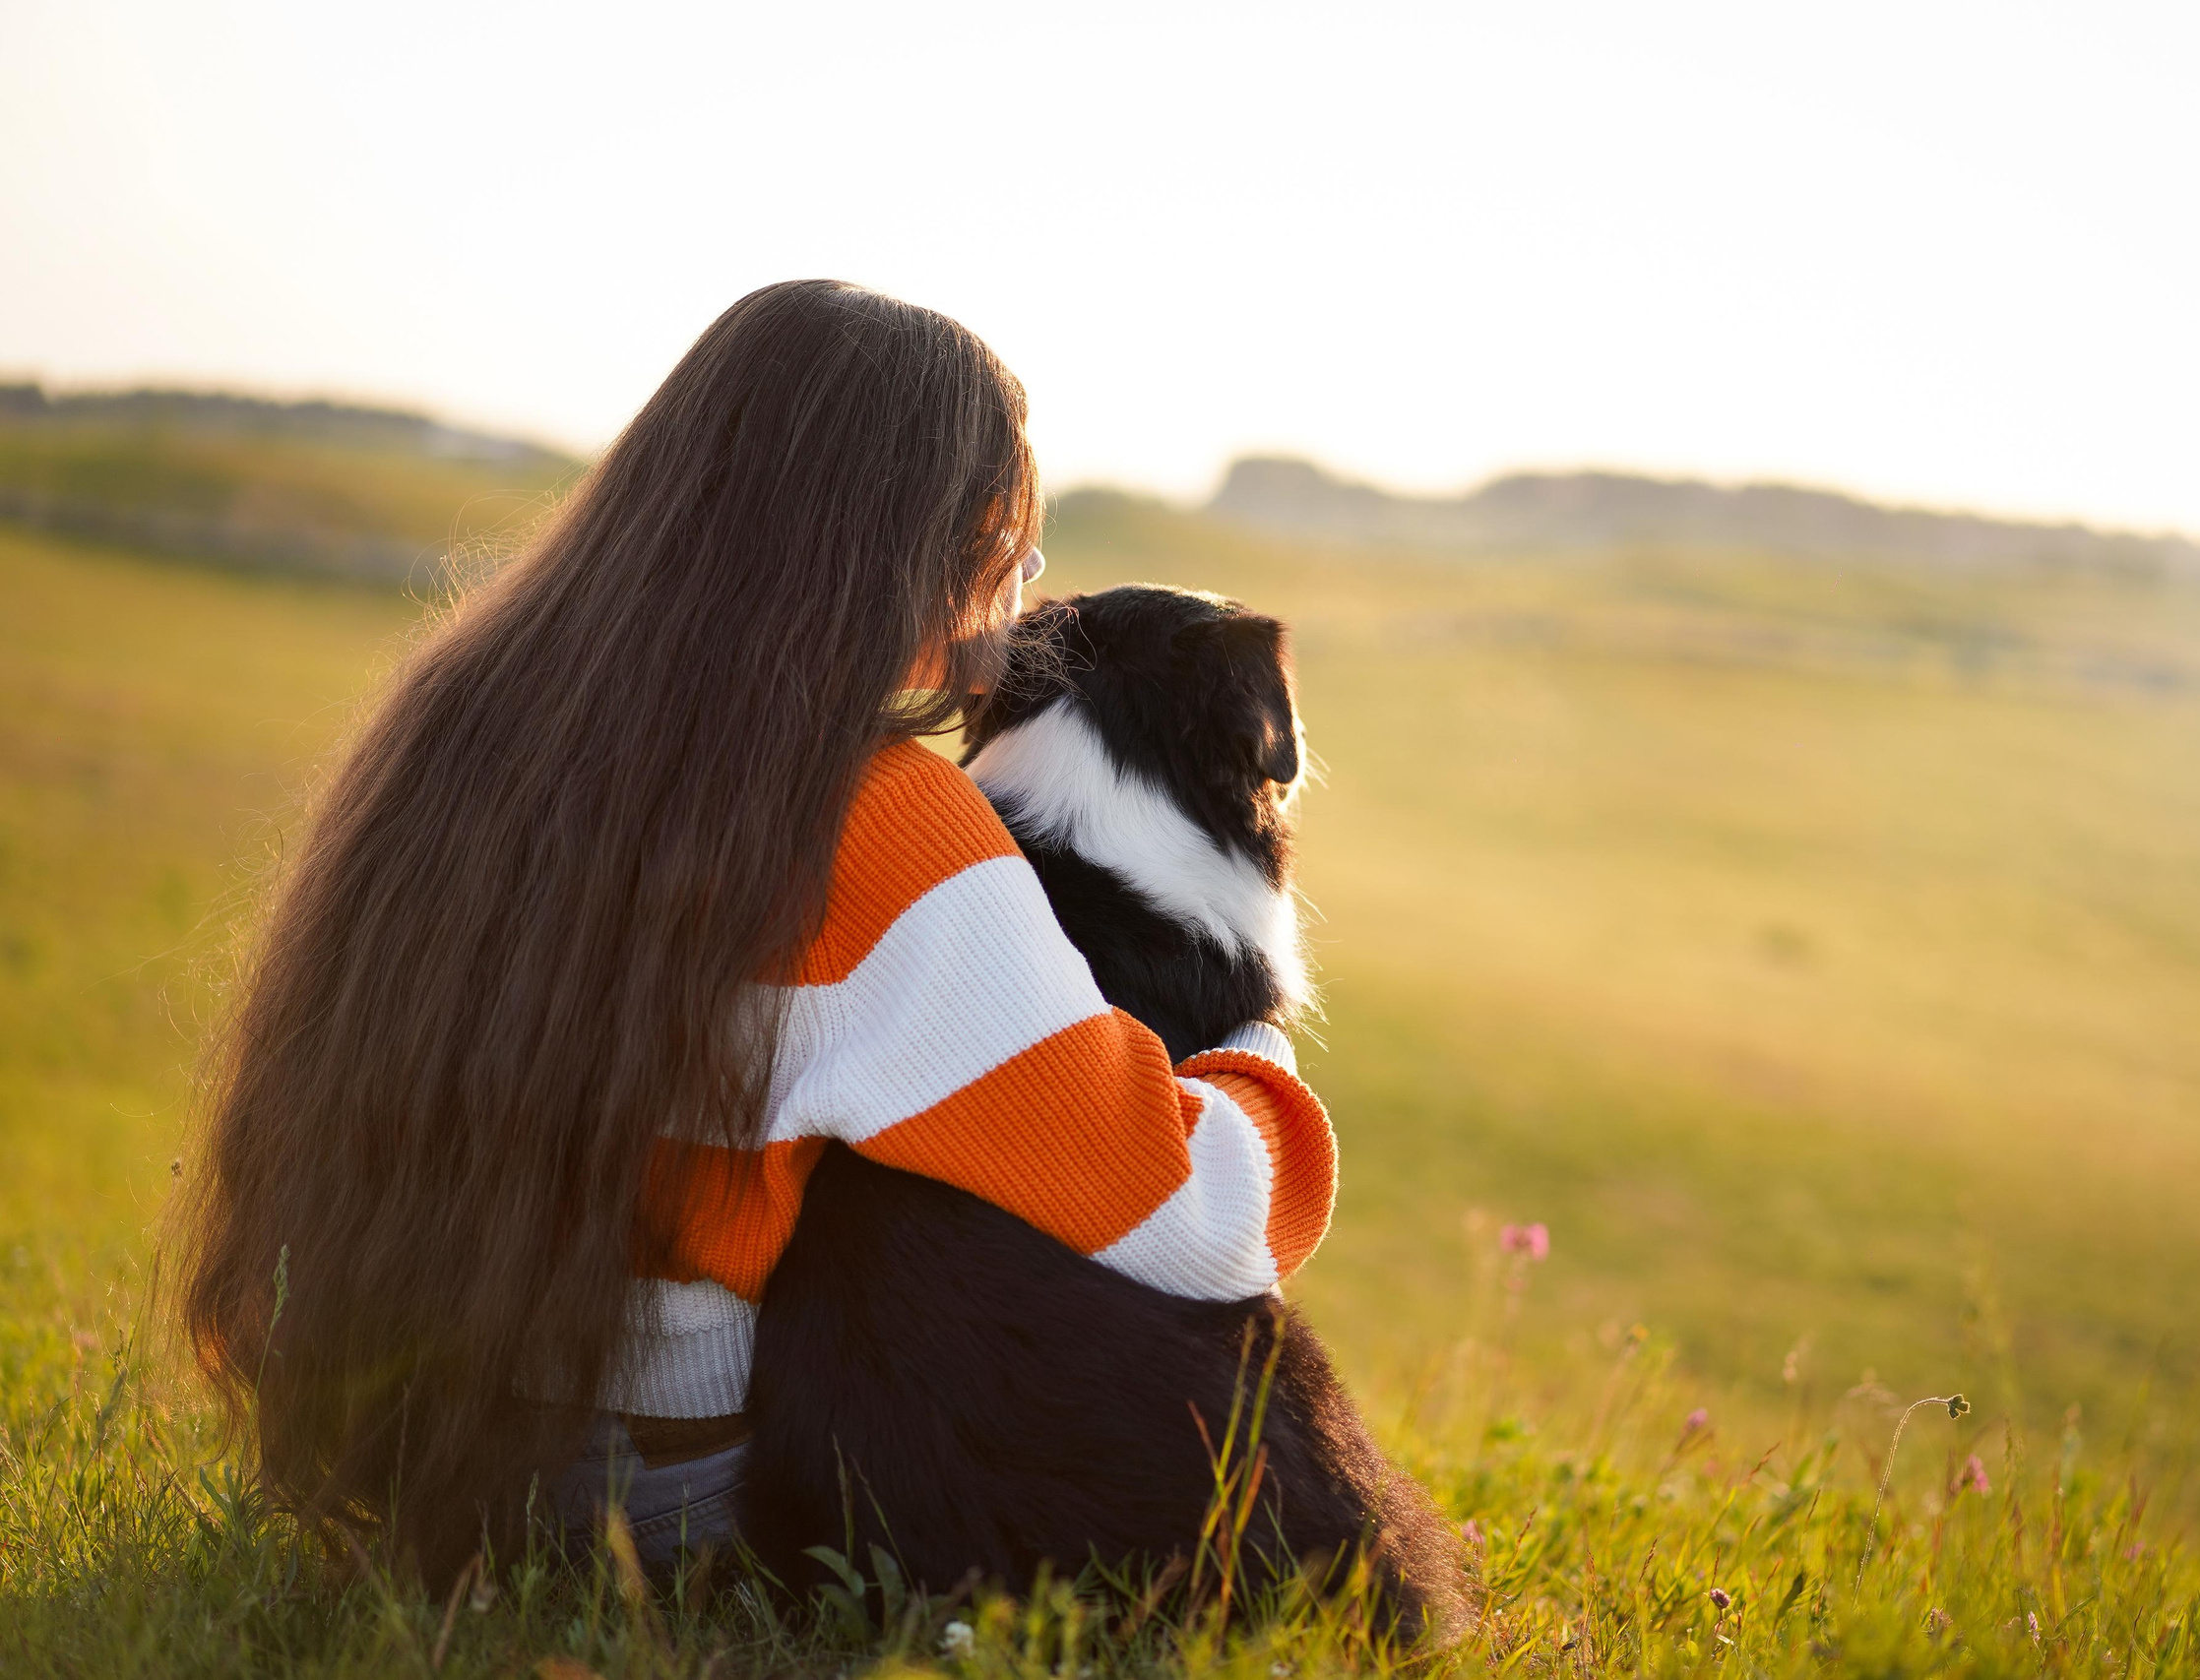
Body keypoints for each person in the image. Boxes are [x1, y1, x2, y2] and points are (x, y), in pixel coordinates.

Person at [176, 280, 1335, 1582]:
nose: (1030, 584)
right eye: (1012, 537)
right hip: (659, 1497)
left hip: (406, 1454)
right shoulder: (876, 818)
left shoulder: (463, 716)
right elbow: (1196, 1225)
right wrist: (1249, 1038)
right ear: (908, 543)